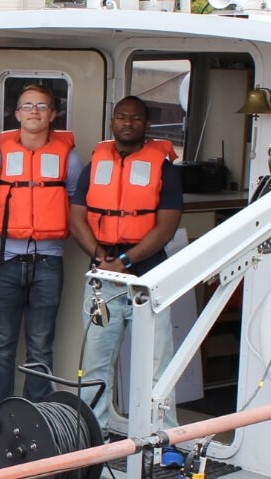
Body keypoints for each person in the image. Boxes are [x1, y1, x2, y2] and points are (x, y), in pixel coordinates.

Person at [0, 85, 83, 445]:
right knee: (1, 345)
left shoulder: (71, 158)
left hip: (48, 261)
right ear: (16, 114)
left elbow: (73, 200)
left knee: (40, 346)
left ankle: (38, 420)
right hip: (5, 259)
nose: (34, 111)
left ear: (52, 115)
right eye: (27, 106)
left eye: (42, 106)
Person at [68, 96, 183, 448]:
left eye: (135, 118)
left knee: (156, 365)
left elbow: (167, 226)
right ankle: (92, 436)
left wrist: (126, 262)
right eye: (121, 117)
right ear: (112, 122)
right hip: (102, 274)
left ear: (147, 125)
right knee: (95, 362)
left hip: (148, 276)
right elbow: (77, 215)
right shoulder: (95, 163)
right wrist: (101, 256)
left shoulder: (163, 168)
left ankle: (164, 441)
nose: (127, 122)